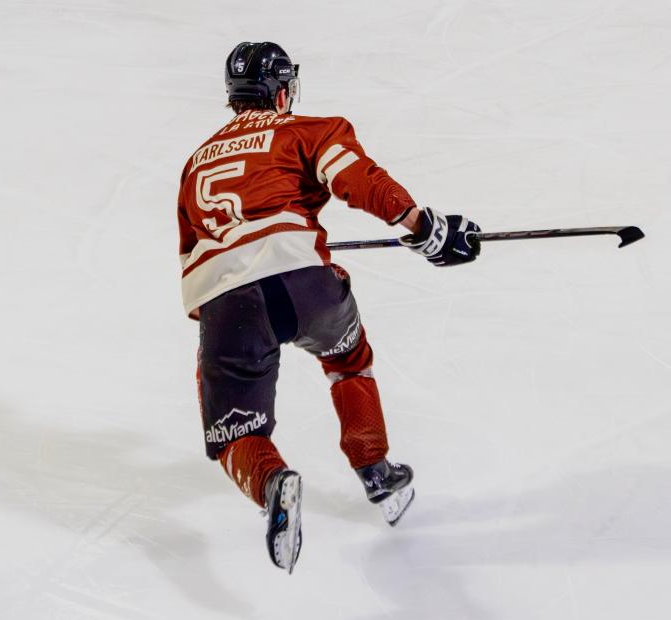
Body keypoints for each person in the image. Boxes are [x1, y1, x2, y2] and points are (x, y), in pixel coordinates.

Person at [175, 42, 481, 573]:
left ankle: (273, 483)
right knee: (347, 358)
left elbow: (194, 255)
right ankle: (377, 472)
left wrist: (224, 340)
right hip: (306, 287)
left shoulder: (194, 163)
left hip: (227, 305)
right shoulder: (307, 131)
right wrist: (423, 228)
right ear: (282, 91)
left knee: (236, 432)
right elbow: (356, 180)